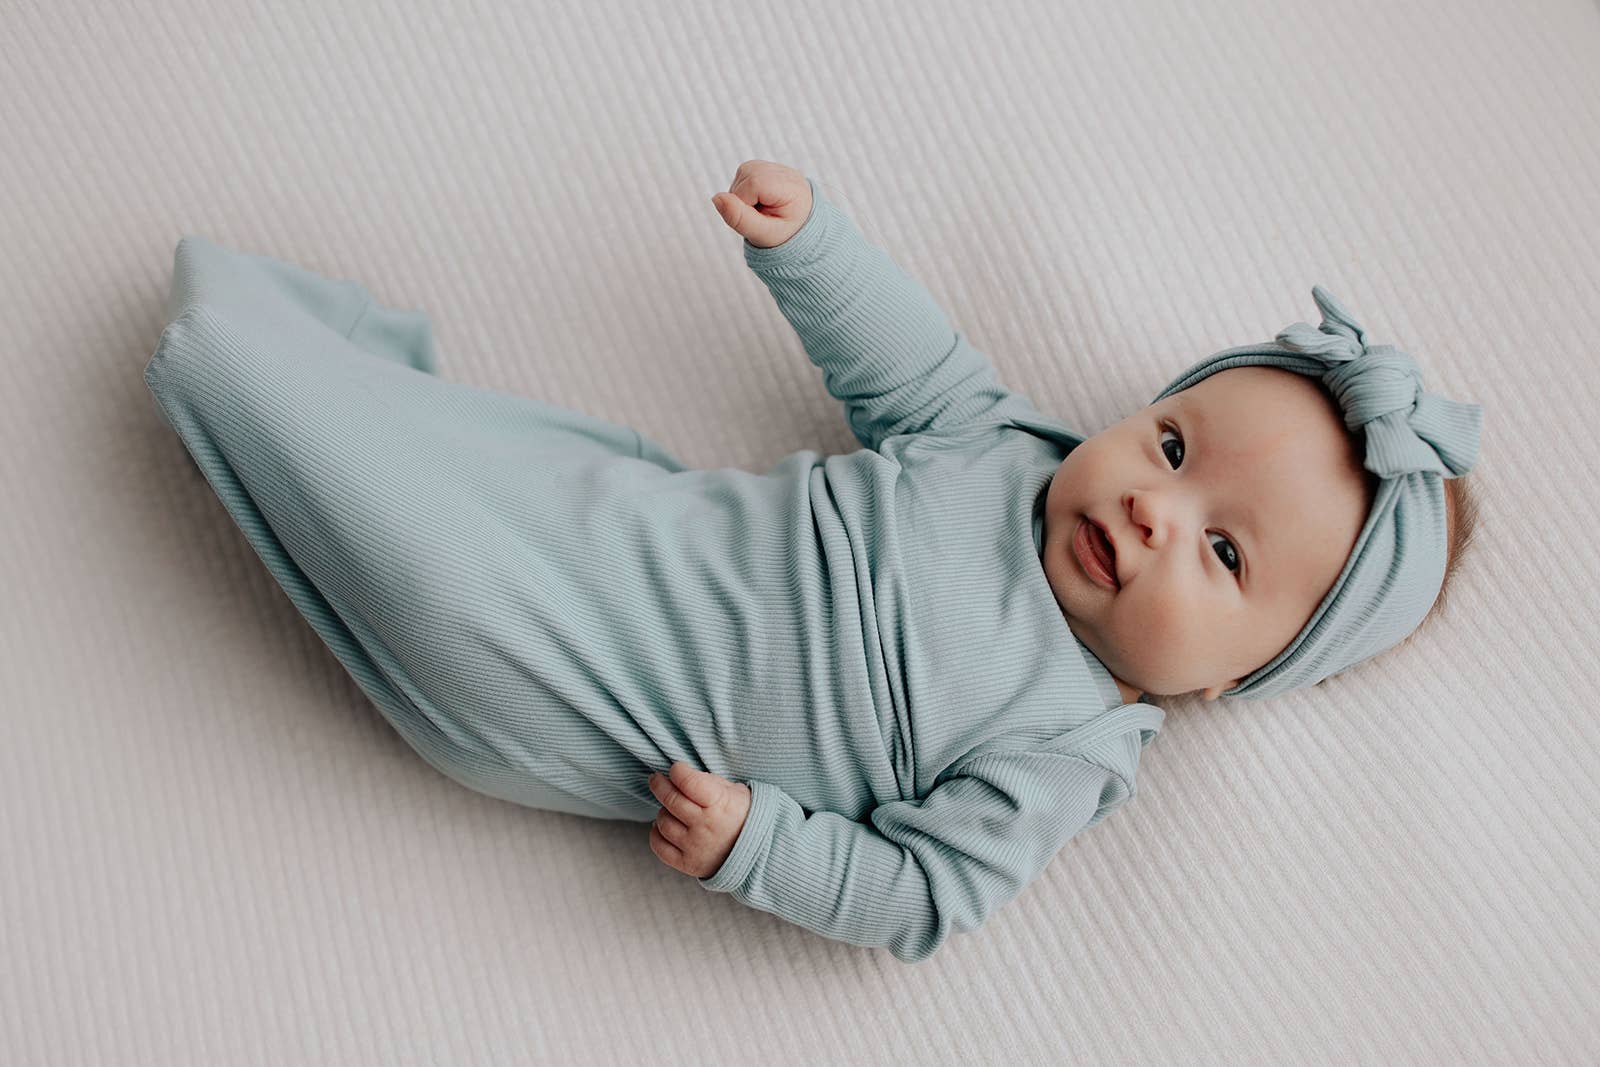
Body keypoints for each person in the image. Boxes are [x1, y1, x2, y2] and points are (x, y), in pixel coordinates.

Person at [142, 159, 1480, 965]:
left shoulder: (1067, 747)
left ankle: (244, 379)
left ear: (1232, 680)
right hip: (633, 524)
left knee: (431, 578)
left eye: (1224, 552)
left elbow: (923, 897)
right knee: (450, 456)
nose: (1149, 510)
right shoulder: (1005, 448)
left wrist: (759, 847)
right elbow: (907, 362)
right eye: (1173, 446)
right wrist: (814, 248)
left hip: (607, 695)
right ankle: (286, 377)